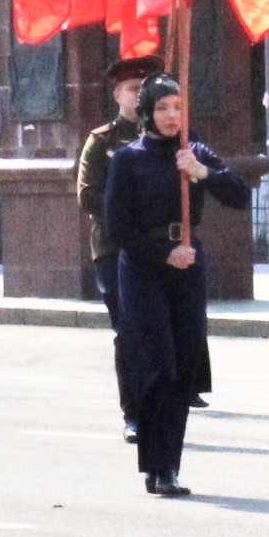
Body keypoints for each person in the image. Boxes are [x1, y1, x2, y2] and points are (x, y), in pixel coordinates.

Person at [99, 77, 256, 498]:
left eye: (179, 108)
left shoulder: (194, 151)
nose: (173, 116)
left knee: (184, 369)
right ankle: (157, 465)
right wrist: (161, 252)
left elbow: (240, 196)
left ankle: (168, 464)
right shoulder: (129, 159)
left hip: (188, 263)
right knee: (158, 368)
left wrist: (202, 173)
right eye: (164, 108)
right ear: (148, 112)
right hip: (144, 267)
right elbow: (117, 225)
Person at [73, 55, 160, 432]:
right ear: (118, 95)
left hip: (161, 250)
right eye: (131, 89)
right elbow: (88, 196)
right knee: (129, 330)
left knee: (161, 331)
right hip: (116, 249)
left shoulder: (170, 137)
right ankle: (134, 414)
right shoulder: (102, 141)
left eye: (145, 88)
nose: (139, 94)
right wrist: (130, 220)